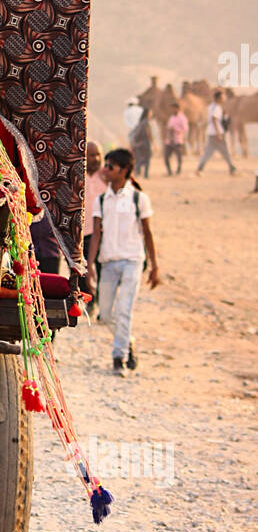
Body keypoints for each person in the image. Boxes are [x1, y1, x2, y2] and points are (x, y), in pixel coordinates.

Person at [86, 148, 160, 374]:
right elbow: (97, 233)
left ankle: (119, 358)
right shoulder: (102, 200)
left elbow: (147, 233)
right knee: (106, 314)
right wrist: (89, 265)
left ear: (124, 170)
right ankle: (127, 340)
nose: (105, 170)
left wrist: (154, 266)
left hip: (132, 261)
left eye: (111, 166)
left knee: (124, 309)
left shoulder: (139, 199)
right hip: (108, 263)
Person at [81, 141, 107, 313]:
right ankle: (87, 299)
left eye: (98, 155)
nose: (96, 159)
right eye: (92, 155)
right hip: (81, 231)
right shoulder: (77, 175)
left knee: (100, 265)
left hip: (101, 232)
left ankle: (99, 300)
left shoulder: (106, 176)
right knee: (81, 267)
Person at [196, 90, 236, 174]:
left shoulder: (211, 106)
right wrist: (218, 133)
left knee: (208, 152)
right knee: (226, 151)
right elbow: (214, 119)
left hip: (211, 133)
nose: (224, 99)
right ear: (219, 98)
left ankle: (200, 168)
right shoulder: (216, 107)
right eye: (222, 97)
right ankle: (232, 168)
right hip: (218, 133)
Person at [164, 101, 189, 175]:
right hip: (169, 140)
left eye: (174, 108)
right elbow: (169, 127)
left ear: (178, 109)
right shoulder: (171, 117)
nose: (173, 110)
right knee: (166, 156)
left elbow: (185, 129)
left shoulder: (182, 118)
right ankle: (169, 172)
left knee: (179, 157)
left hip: (178, 140)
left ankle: (178, 170)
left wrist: (176, 129)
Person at [130, 105, 152, 178]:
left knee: (140, 158)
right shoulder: (146, 122)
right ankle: (145, 174)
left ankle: (137, 171)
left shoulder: (141, 122)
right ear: (147, 113)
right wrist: (152, 140)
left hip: (139, 144)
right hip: (145, 143)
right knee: (147, 158)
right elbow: (148, 133)